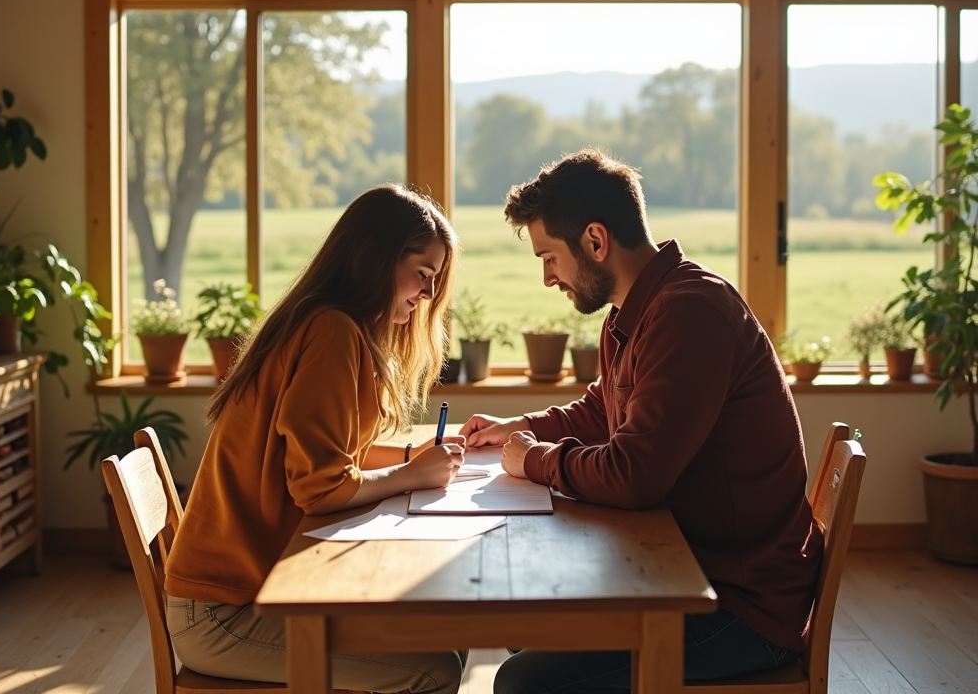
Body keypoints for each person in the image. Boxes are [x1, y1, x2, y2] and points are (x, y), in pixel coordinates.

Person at [462, 149, 823, 691]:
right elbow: (599, 412)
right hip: (685, 572)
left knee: (522, 682)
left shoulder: (690, 312)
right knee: (526, 620)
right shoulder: (634, 313)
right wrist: (518, 427)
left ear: (595, 241)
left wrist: (535, 459)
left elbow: (634, 475)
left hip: (739, 609)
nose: (547, 278)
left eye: (549, 258)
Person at [164, 184, 468, 689]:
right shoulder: (331, 331)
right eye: (423, 275)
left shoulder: (328, 322)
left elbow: (335, 452)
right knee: (432, 670)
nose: (428, 296)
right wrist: (410, 473)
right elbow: (321, 486)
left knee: (444, 638)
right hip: (224, 613)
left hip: (244, 593)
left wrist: (415, 458)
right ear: (376, 258)